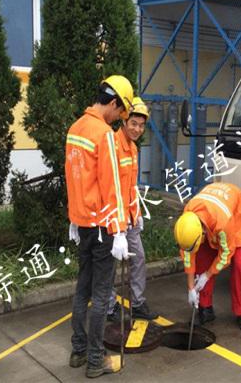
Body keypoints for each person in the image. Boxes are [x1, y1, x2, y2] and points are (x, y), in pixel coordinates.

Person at [65, 75, 134, 378]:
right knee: (102, 295)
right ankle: (95, 361)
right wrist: (119, 230)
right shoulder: (103, 134)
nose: (119, 119)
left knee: (82, 290)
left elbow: (74, 179)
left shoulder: (75, 129)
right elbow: (112, 186)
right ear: (114, 103)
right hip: (103, 227)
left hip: (82, 224)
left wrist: (73, 217)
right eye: (121, 113)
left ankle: (78, 350)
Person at [174, 182, 241, 332]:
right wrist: (191, 287)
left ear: (202, 233)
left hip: (238, 221)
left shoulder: (222, 225)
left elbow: (226, 255)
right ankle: (205, 309)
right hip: (212, 222)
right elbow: (189, 253)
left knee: (239, 264)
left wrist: (207, 275)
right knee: (201, 258)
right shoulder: (188, 219)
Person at [106, 97, 159, 322]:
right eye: (133, 123)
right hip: (113, 219)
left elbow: (131, 186)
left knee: (138, 259)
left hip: (130, 217)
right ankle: (110, 307)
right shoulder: (113, 145)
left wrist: (136, 214)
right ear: (124, 121)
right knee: (109, 265)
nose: (137, 129)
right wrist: (117, 225)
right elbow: (111, 188)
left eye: (141, 125)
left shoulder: (134, 149)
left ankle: (137, 303)